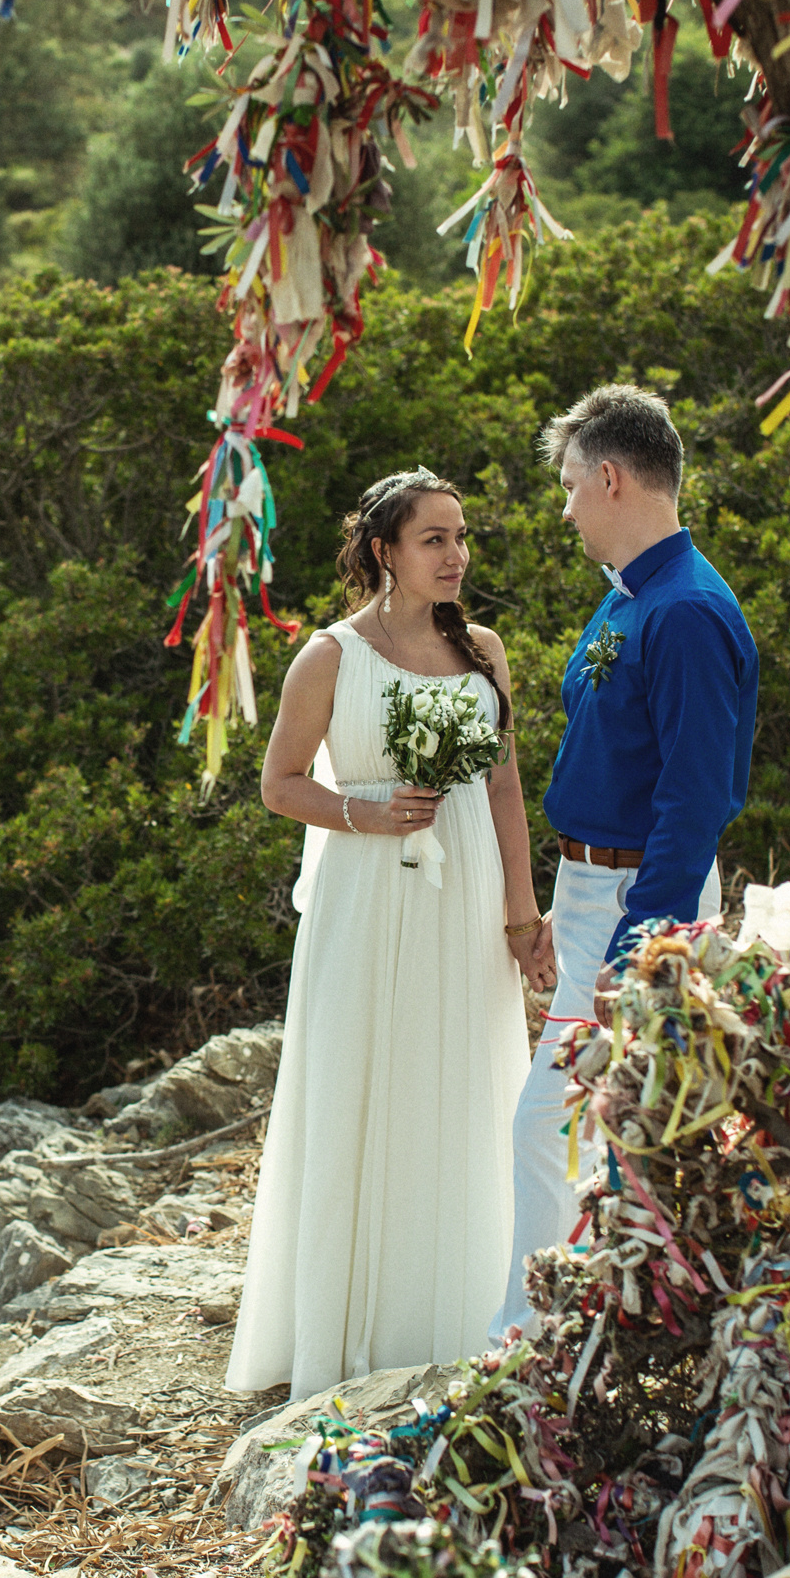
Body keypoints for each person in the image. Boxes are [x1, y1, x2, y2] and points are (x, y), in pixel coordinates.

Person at [226, 469, 557, 1399]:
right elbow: (279, 782)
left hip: (466, 899)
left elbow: (501, 790)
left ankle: (455, 1317)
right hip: (368, 896)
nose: (456, 556)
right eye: (434, 539)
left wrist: (523, 918)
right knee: (364, 1085)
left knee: (457, 1087)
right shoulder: (330, 656)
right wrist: (365, 814)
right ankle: (346, 1327)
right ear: (384, 550)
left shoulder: (483, 649)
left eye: (460, 538)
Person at [491, 385, 761, 1342]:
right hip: (591, 891)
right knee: (597, 1125)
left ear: (609, 477)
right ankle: (585, 1320)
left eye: (569, 486)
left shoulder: (684, 611)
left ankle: (529, 1334)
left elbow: (697, 799)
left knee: (557, 1123)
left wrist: (637, 943)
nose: (563, 508)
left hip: (641, 899)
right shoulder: (633, 597)